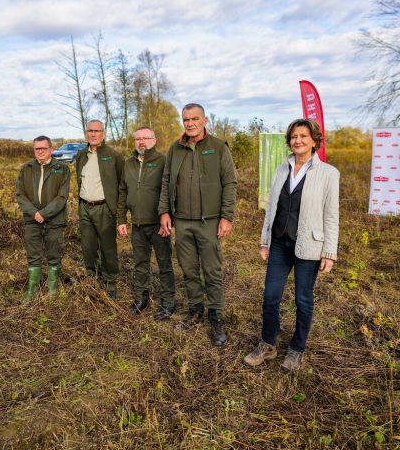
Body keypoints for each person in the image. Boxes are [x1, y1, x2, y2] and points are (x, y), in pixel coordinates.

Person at [244, 118, 339, 372]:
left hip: (309, 246)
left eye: (303, 136)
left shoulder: (328, 173)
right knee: (270, 296)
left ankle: (296, 349)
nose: (297, 140)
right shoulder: (281, 169)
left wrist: (329, 251)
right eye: (294, 136)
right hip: (279, 243)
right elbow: (272, 207)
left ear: (314, 141)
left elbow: (331, 214)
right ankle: (268, 344)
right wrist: (265, 240)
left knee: (303, 299)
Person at [158, 103, 237, 346]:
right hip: (182, 222)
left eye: (194, 119)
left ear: (204, 120)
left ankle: (216, 315)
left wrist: (226, 216)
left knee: (212, 270)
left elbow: (230, 182)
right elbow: (167, 180)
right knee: (189, 269)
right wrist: (164, 211)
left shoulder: (217, 147)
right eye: (186, 119)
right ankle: (195, 309)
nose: (190, 123)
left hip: (209, 222)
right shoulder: (175, 148)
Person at [117, 127, 176, 318]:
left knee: (164, 264)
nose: (141, 142)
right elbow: (123, 192)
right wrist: (121, 219)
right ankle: (141, 299)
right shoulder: (129, 163)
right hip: (138, 225)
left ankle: (168, 303)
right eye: (138, 139)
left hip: (158, 224)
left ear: (154, 140)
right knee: (140, 264)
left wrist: (166, 218)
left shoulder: (163, 162)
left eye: (145, 138)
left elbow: (170, 192)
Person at [16, 135, 70, 300]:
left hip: (55, 220)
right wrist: (34, 213)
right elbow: (20, 194)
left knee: (54, 253)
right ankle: (32, 290)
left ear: (51, 149)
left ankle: (52, 290)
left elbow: (62, 197)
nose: (40, 151)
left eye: (43, 148)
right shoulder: (26, 168)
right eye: (36, 149)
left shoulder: (62, 168)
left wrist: (44, 213)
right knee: (33, 255)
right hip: (32, 219)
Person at [74, 119, 124, 298]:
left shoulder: (114, 156)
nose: (93, 134)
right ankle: (92, 279)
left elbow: (121, 185)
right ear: (86, 133)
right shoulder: (81, 155)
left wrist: (118, 211)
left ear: (103, 134)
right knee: (88, 246)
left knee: (107, 247)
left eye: (97, 131)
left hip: (104, 207)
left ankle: (110, 282)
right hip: (85, 207)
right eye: (90, 131)